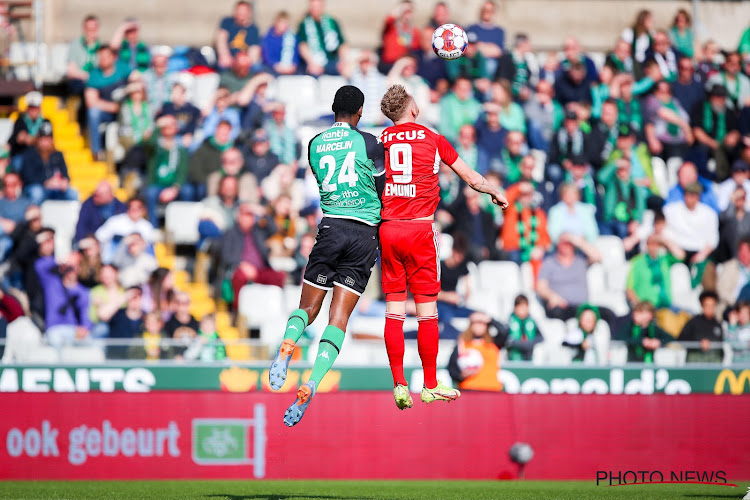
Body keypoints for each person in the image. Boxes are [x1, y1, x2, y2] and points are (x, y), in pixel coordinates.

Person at [377, 84, 507, 410]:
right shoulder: (432, 137)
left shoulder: (380, 140)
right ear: (413, 108)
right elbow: (471, 178)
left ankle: (398, 383)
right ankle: (430, 384)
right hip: (420, 230)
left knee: (394, 309)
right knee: (426, 313)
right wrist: (494, 191)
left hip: (389, 229)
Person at [264, 86, 384, 427]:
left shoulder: (315, 143)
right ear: (360, 111)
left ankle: (289, 343)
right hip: (363, 234)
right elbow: (381, 187)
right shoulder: (370, 143)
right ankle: (313, 381)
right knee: (338, 320)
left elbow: (322, 183)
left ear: (333, 108)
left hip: (330, 228)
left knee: (307, 308)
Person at [535, 234, 605, 324]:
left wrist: (578, 241)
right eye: (563, 243)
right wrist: (552, 296)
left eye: (568, 243)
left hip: (581, 307)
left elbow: (598, 257)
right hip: (561, 308)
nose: (566, 246)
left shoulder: (581, 260)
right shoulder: (549, 262)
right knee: (558, 313)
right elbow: (540, 287)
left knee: (608, 314)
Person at [143, 114, 191, 226]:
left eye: (171, 125)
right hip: (157, 184)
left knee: (188, 191)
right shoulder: (156, 146)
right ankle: (152, 227)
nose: (168, 128)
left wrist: (175, 188)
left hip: (173, 185)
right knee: (150, 193)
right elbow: (148, 142)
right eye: (166, 126)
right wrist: (157, 125)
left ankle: (182, 226)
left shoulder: (180, 148)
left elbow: (182, 172)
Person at [35, 254, 92, 350]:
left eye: (74, 267)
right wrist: (61, 260)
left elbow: (86, 315)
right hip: (54, 328)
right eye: (68, 267)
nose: (70, 270)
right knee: (56, 342)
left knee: (90, 343)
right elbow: (39, 266)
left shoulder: (83, 292)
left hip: (73, 329)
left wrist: (85, 328)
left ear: (79, 268)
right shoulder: (52, 283)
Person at [85, 45, 129, 158]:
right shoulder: (94, 74)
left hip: (126, 110)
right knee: (93, 112)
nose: (103, 59)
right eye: (101, 56)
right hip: (107, 112)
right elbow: (91, 102)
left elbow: (138, 81)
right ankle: (96, 151)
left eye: (106, 56)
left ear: (113, 57)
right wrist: (114, 107)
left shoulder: (123, 68)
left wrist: (129, 91)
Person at [18, 120, 77, 205]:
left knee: (73, 193)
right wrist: (46, 182)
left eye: (48, 139)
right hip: (37, 187)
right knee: (37, 193)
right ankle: (34, 216)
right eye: (43, 139)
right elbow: (27, 177)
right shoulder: (29, 153)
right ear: (38, 139)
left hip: (55, 189)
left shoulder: (58, 155)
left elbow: (65, 174)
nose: (45, 142)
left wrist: (64, 181)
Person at [447, 312, 502, 392]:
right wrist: (461, 375)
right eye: (476, 323)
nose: (478, 326)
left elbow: (505, 332)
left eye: (482, 323)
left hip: (491, 390)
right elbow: (452, 367)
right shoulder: (462, 344)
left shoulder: (493, 343)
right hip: (469, 390)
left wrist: (490, 319)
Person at [500, 181, 550, 270]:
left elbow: (544, 236)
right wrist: (519, 187)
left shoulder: (539, 214)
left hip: (533, 252)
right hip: (514, 250)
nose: (526, 198)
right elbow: (505, 199)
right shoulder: (511, 210)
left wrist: (541, 248)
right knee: (514, 256)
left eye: (529, 195)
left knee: (547, 258)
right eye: (523, 195)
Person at [95, 197, 154, 263]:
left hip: (135, 263)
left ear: (144, 210)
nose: (134, 210)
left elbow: (148, 248)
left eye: (138, 208)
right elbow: (99, 237)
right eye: (131, 207)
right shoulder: (115, 221)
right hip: (113, 261)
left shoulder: (147, 226)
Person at [296, 0, 347, 76]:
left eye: (317, 7)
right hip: (315, 62)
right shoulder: (304, 24)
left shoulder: (332, 22)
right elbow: (303, 46)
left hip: (332, 61)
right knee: (313, 72)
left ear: (322, 7)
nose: (315, 9)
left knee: (348, 70)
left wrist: (343, 61)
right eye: (313, 7)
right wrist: (312, 62)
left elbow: (342, 45)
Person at [188, 120, 234, 202]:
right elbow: (195, 170)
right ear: (216, 130)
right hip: (206, 182)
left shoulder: (233, 149)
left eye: (226, 131)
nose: (224, 134)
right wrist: (208, 180)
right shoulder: (205, 147)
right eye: (222, 130)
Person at [678, 291, 723, 363]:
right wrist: (698, 343)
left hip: (713, 363)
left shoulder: (718, 325)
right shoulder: (693, 322)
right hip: (695, 362)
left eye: (712, 305)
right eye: (707, 305)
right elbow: (681, 339)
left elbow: (721, 348)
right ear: (702, 306)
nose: (710, 308)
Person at [216, 0, 260, 69]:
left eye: (243, 11)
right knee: (222, 65)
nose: (241, 13)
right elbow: (221, 41)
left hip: (245, 61)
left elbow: (254, 50)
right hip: (228, 60)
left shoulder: (254, 29)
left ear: (249, 13)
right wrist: (226, 56)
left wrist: (246, 61)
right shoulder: (227, 22)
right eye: (239, 10)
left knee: (257, 67)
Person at [466, 0, 505, 76]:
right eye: (485, 9)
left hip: (490, 64)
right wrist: (488, 47)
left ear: (494, 12)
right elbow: (469, 49)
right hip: (474, 61)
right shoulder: (472, 28)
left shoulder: (499, 31)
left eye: (489, 10)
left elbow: (498, 51)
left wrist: (479, 45)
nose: (486, 12)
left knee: (490, 63)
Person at [438, 77, 482, 144]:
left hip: (472, 143)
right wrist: (459, 137)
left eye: (466, 89)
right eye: (461, 88)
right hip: (451, 142)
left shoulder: (475, 104)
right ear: (454, 88)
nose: (463, 92)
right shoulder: (446, 102)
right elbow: (443, 128)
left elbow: (479, 127)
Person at [379, 1, 420, 72]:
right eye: (405, 11)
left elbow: (416, 49)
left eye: (409, 11)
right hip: (388, 65)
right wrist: (401, 8)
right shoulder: (391, 27)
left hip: (403, 68)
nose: (406, 14)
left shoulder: (414, 31)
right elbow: (389, 18)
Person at [159, 83, 202, 150]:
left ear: (183, 94)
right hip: (168, 137)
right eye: (173, 92)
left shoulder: (191, 109)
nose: (174, 95)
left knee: (195, 144)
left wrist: (190, 134)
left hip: (184, 138)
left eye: (176, 92)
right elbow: (160, 123)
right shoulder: (167, 107)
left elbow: (195, 122)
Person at [66, 15, 101, 94]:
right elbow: (71, 71)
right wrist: (88, 76)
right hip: (81, 83)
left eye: (93, 29)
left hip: (98, 83)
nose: (90, 32)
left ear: (97, 29)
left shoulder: (101, 46)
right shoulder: (76, 44)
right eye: (88, 29)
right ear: (84, 29)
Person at [717, 236, 750, 319]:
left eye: (746, 252)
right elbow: (721, 290)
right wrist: (738, 304)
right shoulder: (730, 266)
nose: (743, 255)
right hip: (731, 306)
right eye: (741, 251)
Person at [107, 286, 144, 359]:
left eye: (138, 296)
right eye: (132, 297)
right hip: (116, 359)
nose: (134, 300)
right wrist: (123, 298)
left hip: (139, 360)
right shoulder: (117, 315)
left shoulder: (146, 318)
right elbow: (103, 315)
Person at [0, 172, 31, 259]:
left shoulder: (26, 202)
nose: (9, 188)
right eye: (6, 185)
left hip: (19, 236)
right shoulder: (1, 202)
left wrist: (12, 225)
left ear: (20, 184)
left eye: (13, 184)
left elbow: (30, 219)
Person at [504, 294, 543, 361]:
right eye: (520, 307)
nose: (522, 310)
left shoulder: (532, 321)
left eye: (524, 307)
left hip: (530, 356)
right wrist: (520, 344)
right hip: (514, 357)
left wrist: (530, 343)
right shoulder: (509, 321)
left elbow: (541, 337)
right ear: (515, 308)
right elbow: (506, 337)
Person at [8, 91, 44, 160]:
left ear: (39, 108)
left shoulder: (45, 122)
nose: (33, 110)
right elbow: (16, 138)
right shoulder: (20, 121)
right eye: (31, 107)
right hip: (22, 155)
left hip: (39, 156)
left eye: (35, 108)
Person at [261, 11, 299, 76]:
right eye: (282, 22)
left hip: (290, 69)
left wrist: (293, 66)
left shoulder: (292, 38)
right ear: (276, 23)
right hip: (272, 69)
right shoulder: (268, 38)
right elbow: (267, 57)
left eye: (286, 23)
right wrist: (276, 66)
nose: (284, 25)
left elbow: (296, 55)